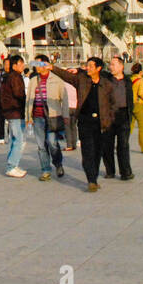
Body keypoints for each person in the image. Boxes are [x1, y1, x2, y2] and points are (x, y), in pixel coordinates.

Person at [51, 58, 118, 192]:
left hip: (100, 123)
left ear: (98, 68)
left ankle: (93, 177)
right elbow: (67, 76)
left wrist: (109, 120)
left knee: (97, 152)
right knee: (87, 151)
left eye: (91, 66)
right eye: (87, 66)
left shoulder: (106, 84)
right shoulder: (81, 80)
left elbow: (113, 104)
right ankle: (91, 180)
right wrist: (52, 67)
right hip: (84, 121)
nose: (88, 68)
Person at [26, 56, 68, 180]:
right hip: (38, 117)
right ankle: (45, 170)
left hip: (53, 116)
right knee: (41, 145)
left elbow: (64, 99)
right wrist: (28, 116)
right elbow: (29, 100)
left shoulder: (57, 79)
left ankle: (58, 163)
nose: (36, 66)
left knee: (52, 142)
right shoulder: (33, 80)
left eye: (38, 64)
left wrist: (65, 115)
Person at [102, 56, 134, 180]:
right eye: (110, 64)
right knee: (107, 145)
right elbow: (94, 69)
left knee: (123, 145)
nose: (110, 66)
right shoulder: (106, 79)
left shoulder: (127, 80)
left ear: (121, 66)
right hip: (109, 115)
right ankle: (110, 171)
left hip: (123, 115)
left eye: (113, 64)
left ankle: (126, 172)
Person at [0, 55, 28, 177]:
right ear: (14, 66)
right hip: (14, 111)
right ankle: (11, 166)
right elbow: (18, 93)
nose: (23, 66)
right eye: (20, 64)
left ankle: (13, 164)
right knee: (19, 140)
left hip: (12, 111)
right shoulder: (15, 77)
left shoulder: (8, 77)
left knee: (16, 139)